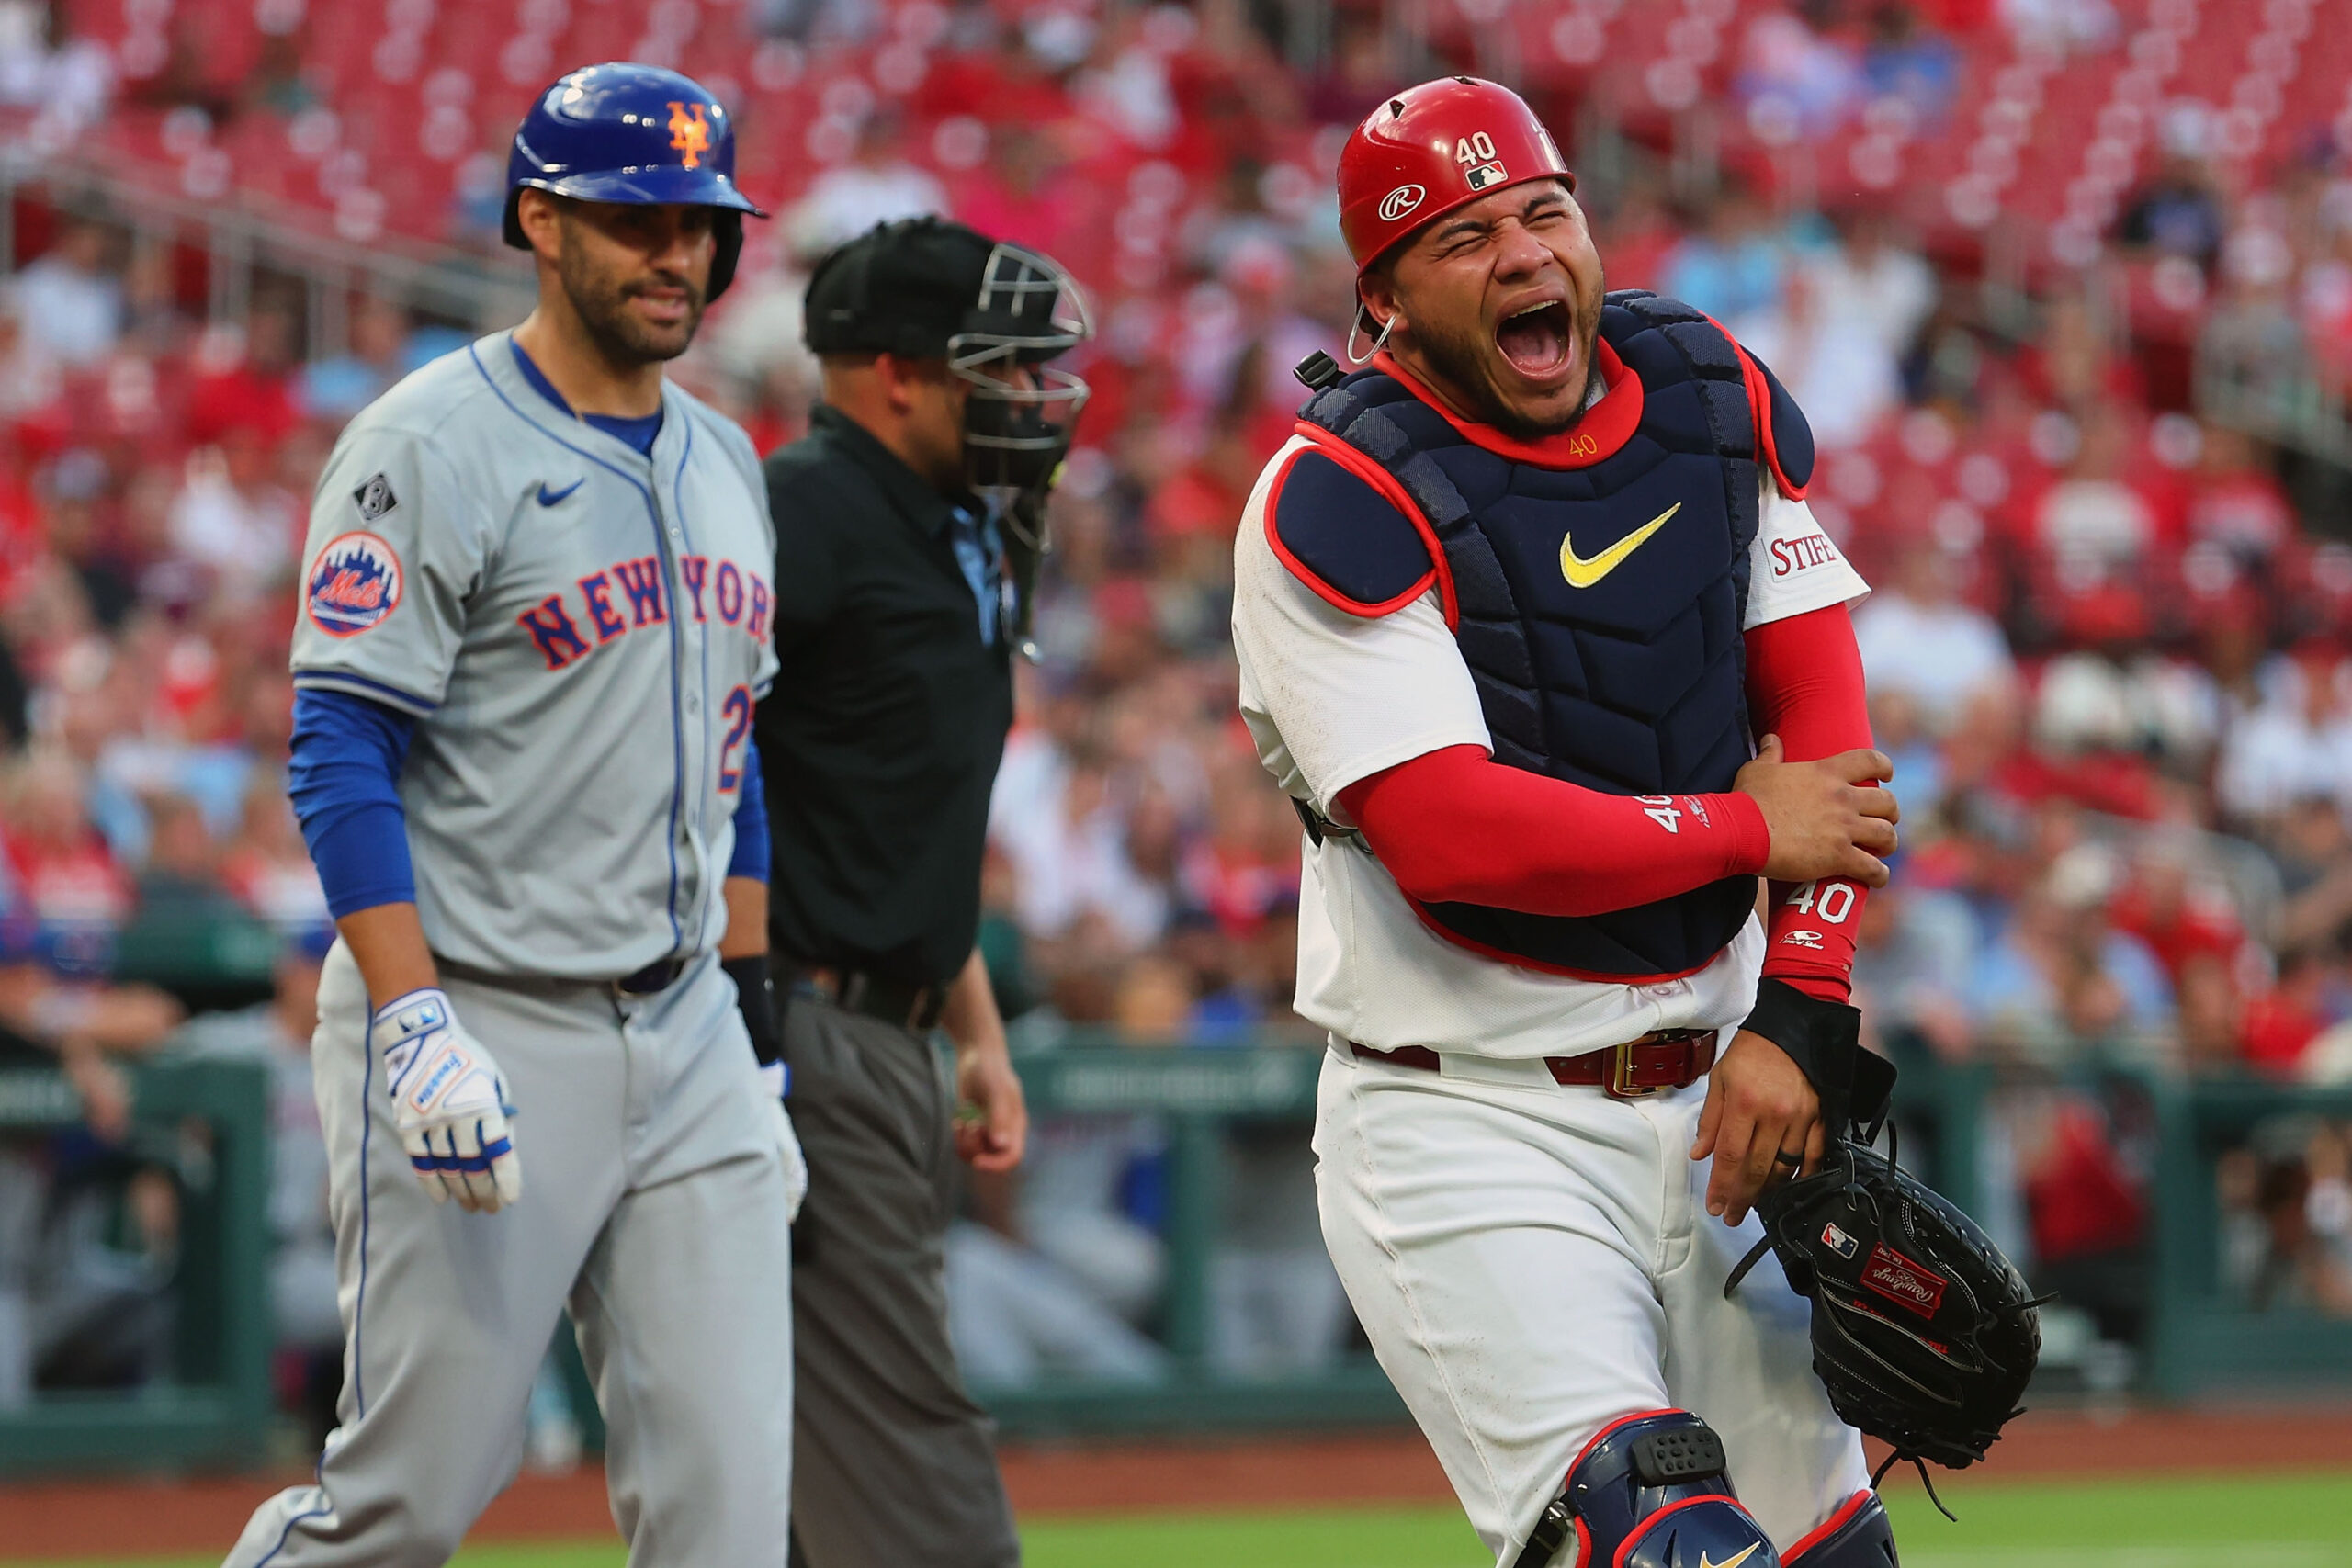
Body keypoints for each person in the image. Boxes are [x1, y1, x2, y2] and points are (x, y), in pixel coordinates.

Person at [1230, 79, 1905, 1567]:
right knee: (1664, 1547)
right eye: (1465, 238)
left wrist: (1803, 1008)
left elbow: (1830, 740)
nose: (1528, 258)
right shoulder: (1334, 495)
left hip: (1728, 1095)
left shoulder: (1705, 393)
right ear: (1387, 301)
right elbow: (1455, 836)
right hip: (1473, 1116)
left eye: (1545, 213)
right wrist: (1742, 832)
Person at [222, 62, 804, 1567]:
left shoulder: (726, 455)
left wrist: (757, 1033)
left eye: (701, 222)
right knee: (405, 1506)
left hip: (685, 1034)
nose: (678, 254)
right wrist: (412, 1025)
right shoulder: (432, 439)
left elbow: (732, 761)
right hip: (483, 1014)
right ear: (540, 221)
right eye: (639, 220)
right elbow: (339, 744)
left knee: (733, 1524)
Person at [754, 215, 1090, 1568]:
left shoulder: (967, 526)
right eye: (996, 369)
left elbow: (901, 810)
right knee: (903, 1443)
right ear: (897, 370)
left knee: (780, 1468)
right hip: (796, 1026)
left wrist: (979, 1031)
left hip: (885, 1026)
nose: (1028, 398)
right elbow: (692, 757)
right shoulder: (803, 508)